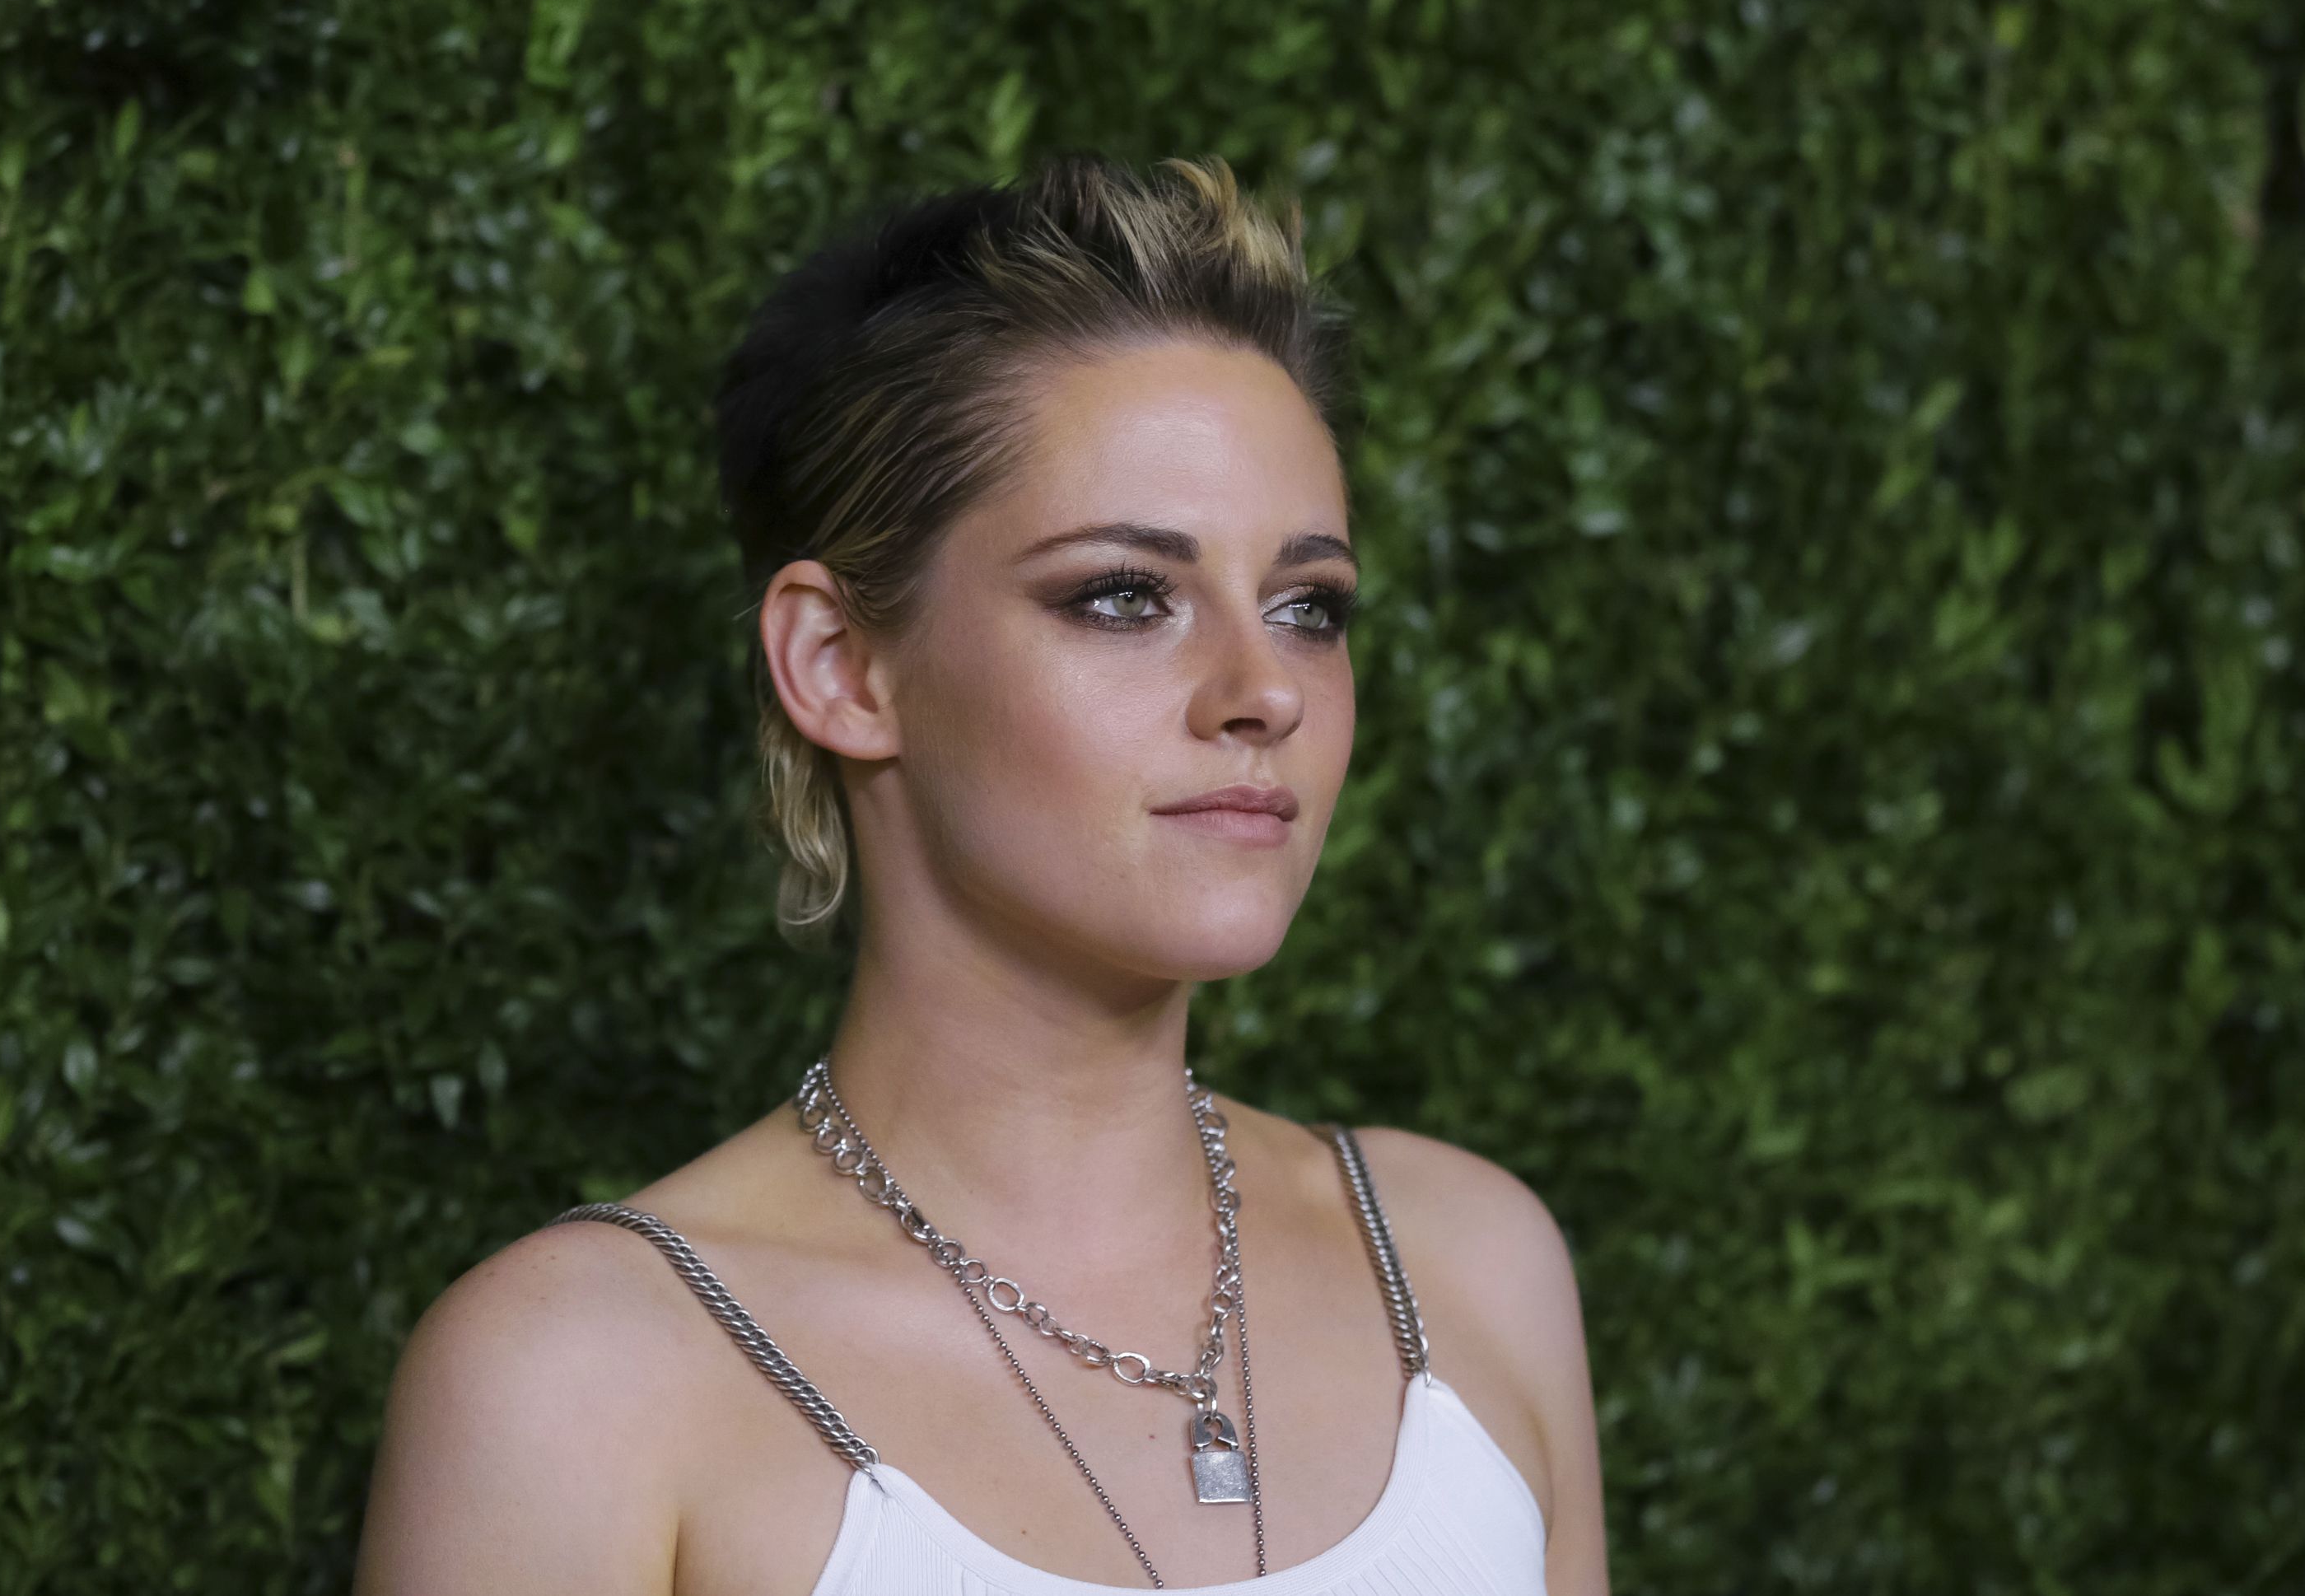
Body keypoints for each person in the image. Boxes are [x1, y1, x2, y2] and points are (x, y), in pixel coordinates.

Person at [352, 152, 1606, 1595]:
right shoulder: (580, 1381)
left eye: (1308, 606)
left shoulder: (1467, 1267)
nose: (1265, 689)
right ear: (842, 665)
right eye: (1125, 595)